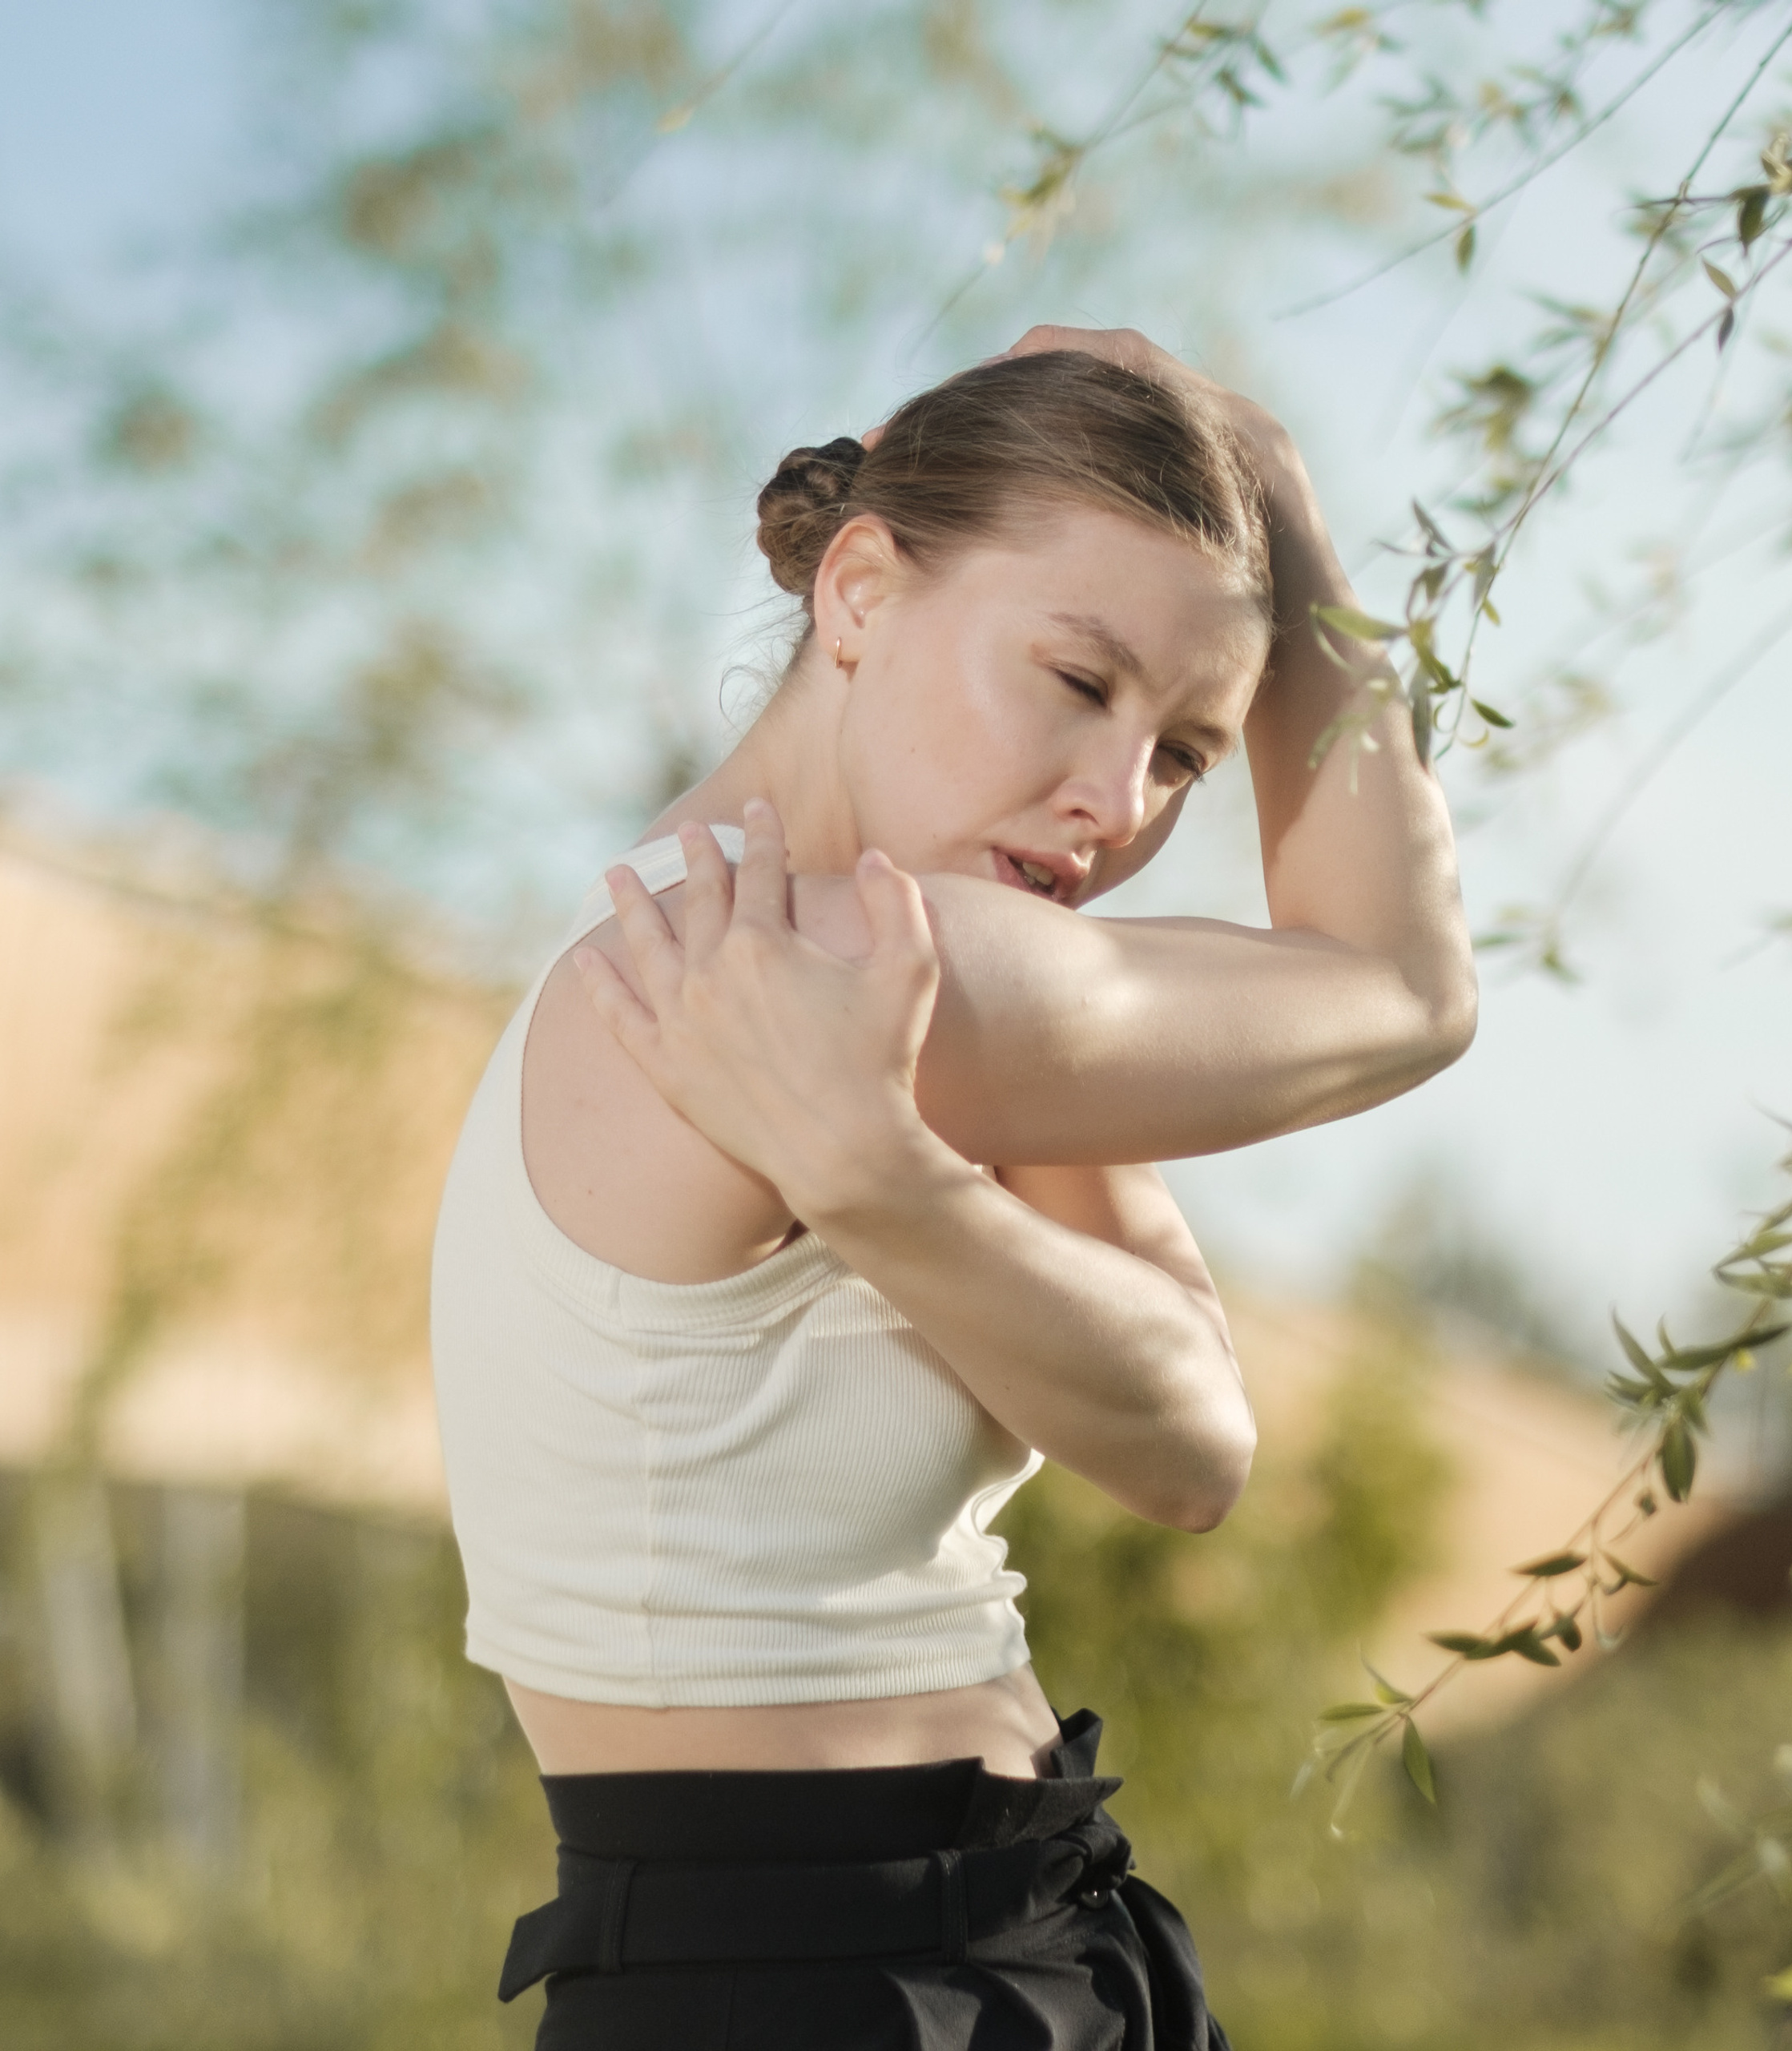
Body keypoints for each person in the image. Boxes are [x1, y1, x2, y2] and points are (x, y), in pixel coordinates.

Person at [431, 324, 1474, 2049]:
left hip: (983, 1946)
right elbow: (1402, 983)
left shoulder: (863, 983)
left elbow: (1191, 1443)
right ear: (858, 593)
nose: (1113, 805)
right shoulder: (831, 960)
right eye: (1076, 681)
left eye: (1185, 753)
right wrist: (1274, 486)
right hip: (819, 1995)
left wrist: (886, 1183)